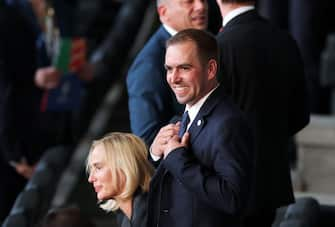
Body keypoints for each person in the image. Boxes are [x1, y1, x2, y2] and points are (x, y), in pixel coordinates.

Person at [215, 0, 310, 226]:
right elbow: (300, 115)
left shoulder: (218, 47)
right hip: (270, 183)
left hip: (227, 185)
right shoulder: (284, 40)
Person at [148, 29, 253, 227]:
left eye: (184, 68)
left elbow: (232, 198)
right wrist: (155, 153)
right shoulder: (186, 115)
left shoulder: (228, 123)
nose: (174, 78)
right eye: (169, 69)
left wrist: (177, 160)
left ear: (211, 69)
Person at [126, 0, 208, 146]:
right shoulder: (149, 64)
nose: (201, 6)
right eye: (189, 2)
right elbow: (146, 140)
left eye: (203, 0)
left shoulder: (208, 41)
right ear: (164, 13)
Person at [87, 132, 154, 227]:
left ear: (124, 166)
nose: (91, 179)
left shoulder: (151, 213)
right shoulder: (125, 216)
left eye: (98, 168)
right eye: (91, 170)